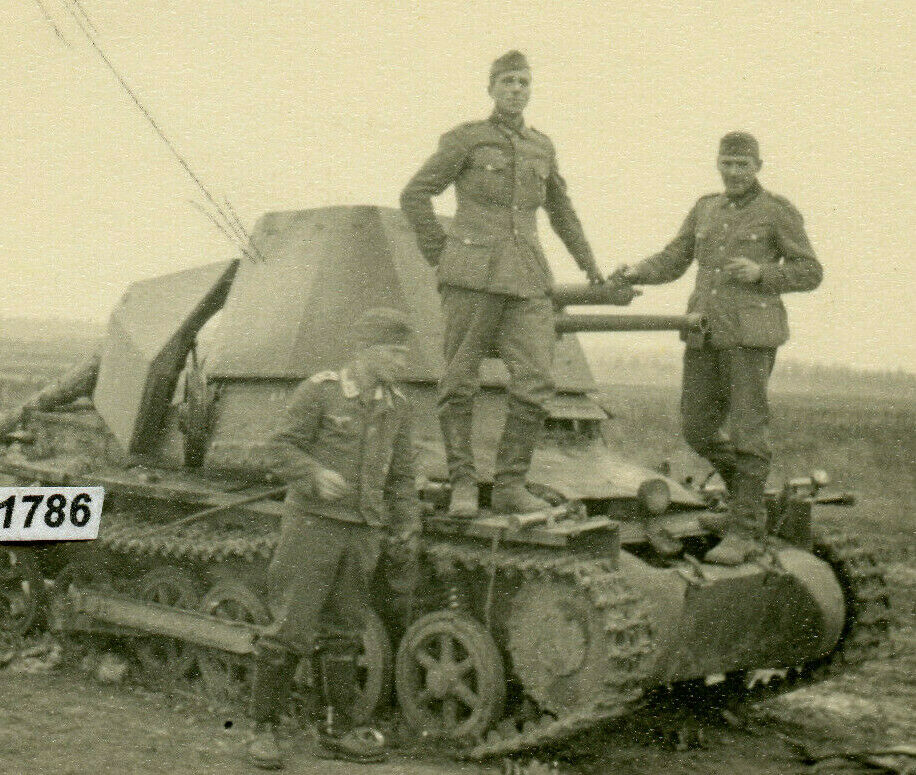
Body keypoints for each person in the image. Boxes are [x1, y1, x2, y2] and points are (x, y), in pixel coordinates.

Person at [400, 50, 604, 518]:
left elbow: (561, 211)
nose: (517, 90)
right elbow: (415, 193)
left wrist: (590, 265)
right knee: (459, 383)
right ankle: (464, 485)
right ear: (491, 88)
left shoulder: (541, 147)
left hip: (528, 279)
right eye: (509, 81)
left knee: (536, 382)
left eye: (524, 82)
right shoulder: (467, 140)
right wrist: (442, 253)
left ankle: (511, 484)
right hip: (471, 278)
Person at [611, 132, 822, 565]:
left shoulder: (776, 212)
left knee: (748, 432)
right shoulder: (706, 207)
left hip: (749, 337)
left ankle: (744, 529)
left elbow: (810, 271)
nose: (733, 172)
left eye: (742, 164)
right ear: (718, 164)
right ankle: (749, 506)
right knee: (697, 428)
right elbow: (674, 257)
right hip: (704, 333)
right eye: (726, 163)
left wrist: (762, 272)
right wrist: (635, 272)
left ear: (758, 166)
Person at [246, 307, 421, 769]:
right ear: (364, 350)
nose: (403, 361)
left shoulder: (397, 405)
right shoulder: (320, 392)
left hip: (363, 531)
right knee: (290, 627)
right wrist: (314, 474)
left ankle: (337, 731)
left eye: (405, 352)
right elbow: (281, 447)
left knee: (344, 633)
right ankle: (264, 730)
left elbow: (402, 475)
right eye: (394, 352)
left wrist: (405, 525)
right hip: (313, 527)